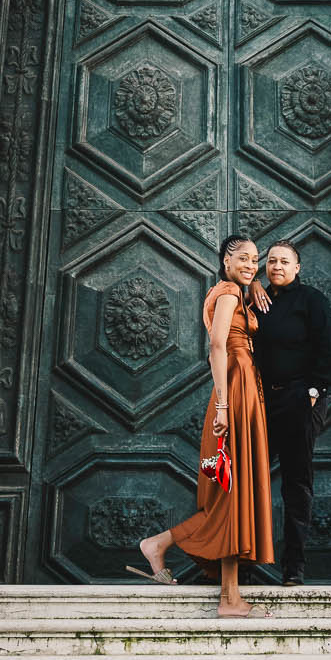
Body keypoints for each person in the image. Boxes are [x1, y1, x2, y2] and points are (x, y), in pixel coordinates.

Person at [132, 236, 273, 617]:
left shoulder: (234, 290)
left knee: (234, 495)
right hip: (235, 395)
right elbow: (216, 345)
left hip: (245, 392)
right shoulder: (228, 292)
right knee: (231, 496)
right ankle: (228, 599)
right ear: (224, 260)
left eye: (256, 259)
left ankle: (159, 544)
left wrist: (254, 281)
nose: (251, 264)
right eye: (243, 258)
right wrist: (225, 405)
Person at [251, 239, 331, 586]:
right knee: (249, 480)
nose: (277, 267)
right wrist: (252, 284)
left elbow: (329, 348)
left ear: (297, 267)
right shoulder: (257, 299)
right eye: (271, 261)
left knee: (296, 483)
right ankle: (242, 562)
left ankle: (293, 568)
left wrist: (314, 392)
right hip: (261, 402)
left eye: (284, 262)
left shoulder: (312, 301)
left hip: (300, 400)